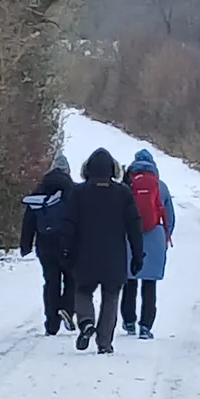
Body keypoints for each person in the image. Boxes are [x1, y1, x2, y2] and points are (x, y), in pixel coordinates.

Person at [62, 147, 144, 354]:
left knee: (83, 290)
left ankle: (87, 322)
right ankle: (104, 342)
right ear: (113, 170)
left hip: (85, 254)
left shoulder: (78, 192)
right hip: (114, 256)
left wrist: (66, 250)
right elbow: (134, 225)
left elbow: (69, 224)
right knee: (111, 297)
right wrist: (137, 254)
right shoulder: (123, 193)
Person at [120, 148, 176, 339]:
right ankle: (145, 326)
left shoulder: (127, 186)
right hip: (155, 236)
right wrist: (166, 236)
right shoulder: (161, 187)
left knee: (129, 281)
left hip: (130, 236)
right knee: (149, 284)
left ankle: (128, 321)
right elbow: (169, 216)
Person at [19, 154, 77, 335]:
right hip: (68, 243)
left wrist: (26, 244)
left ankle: (51, 323)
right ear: (67, 171)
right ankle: (67, 308)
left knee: (51, 281)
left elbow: (29, 220)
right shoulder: (73, 191)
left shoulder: (39, 191)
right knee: (71, 279)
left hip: (45, 244)